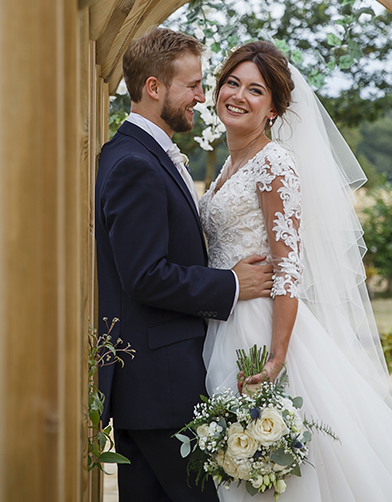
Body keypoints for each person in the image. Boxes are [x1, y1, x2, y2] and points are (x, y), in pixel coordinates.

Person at [199, 41, 392, 501]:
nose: (238, 96)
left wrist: (277, 357)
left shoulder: (274, 162)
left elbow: (288, 267)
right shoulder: (231, 162)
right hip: (222, 318)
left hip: (258, 330)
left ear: (273, 108)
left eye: (255, 90)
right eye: (232, 83)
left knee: (271, 471)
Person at [95, 28, 275, 502]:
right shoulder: (135, 163)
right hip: (160, 385)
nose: (202, 94)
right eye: (192, 85)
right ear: (154, 88)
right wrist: (231, 284)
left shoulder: (138, 153)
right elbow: (145, 276)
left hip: (150, 385)